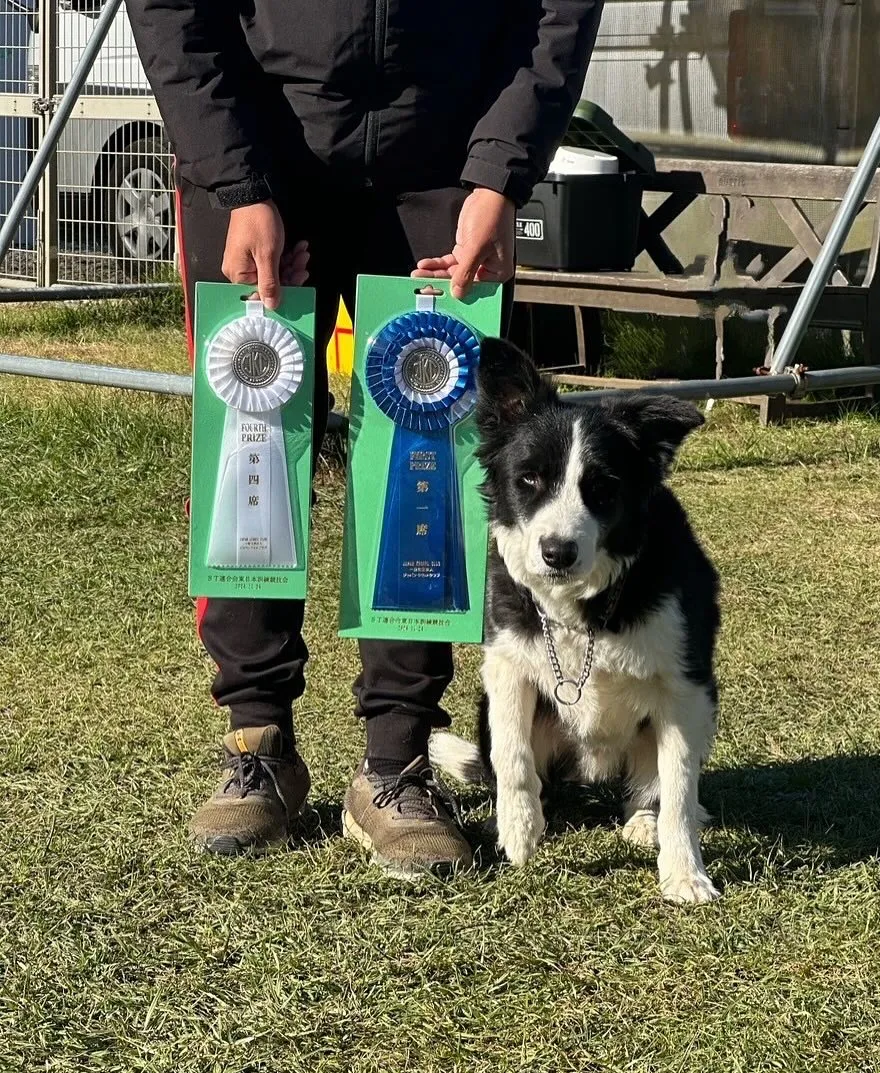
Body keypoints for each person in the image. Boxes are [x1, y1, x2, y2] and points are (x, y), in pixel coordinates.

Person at [125, 0, 604, 874]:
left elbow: (557, 9)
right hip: (262, 150)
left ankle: (398, 762)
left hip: (446, 160)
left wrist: (500, 171)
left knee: (437, 463)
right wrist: (236, 180)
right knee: (251, 434)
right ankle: (258, 738)